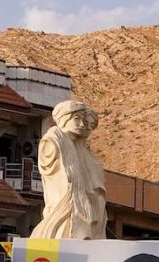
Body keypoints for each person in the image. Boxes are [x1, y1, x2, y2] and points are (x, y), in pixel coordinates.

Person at [29, 100, 107, 239]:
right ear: (64, 119)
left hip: (83, 204)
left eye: (87, 123)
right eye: (77, 119)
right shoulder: (53, 141)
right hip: (66, 207)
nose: (82, 125)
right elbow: (62, 179)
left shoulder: (79, 147)